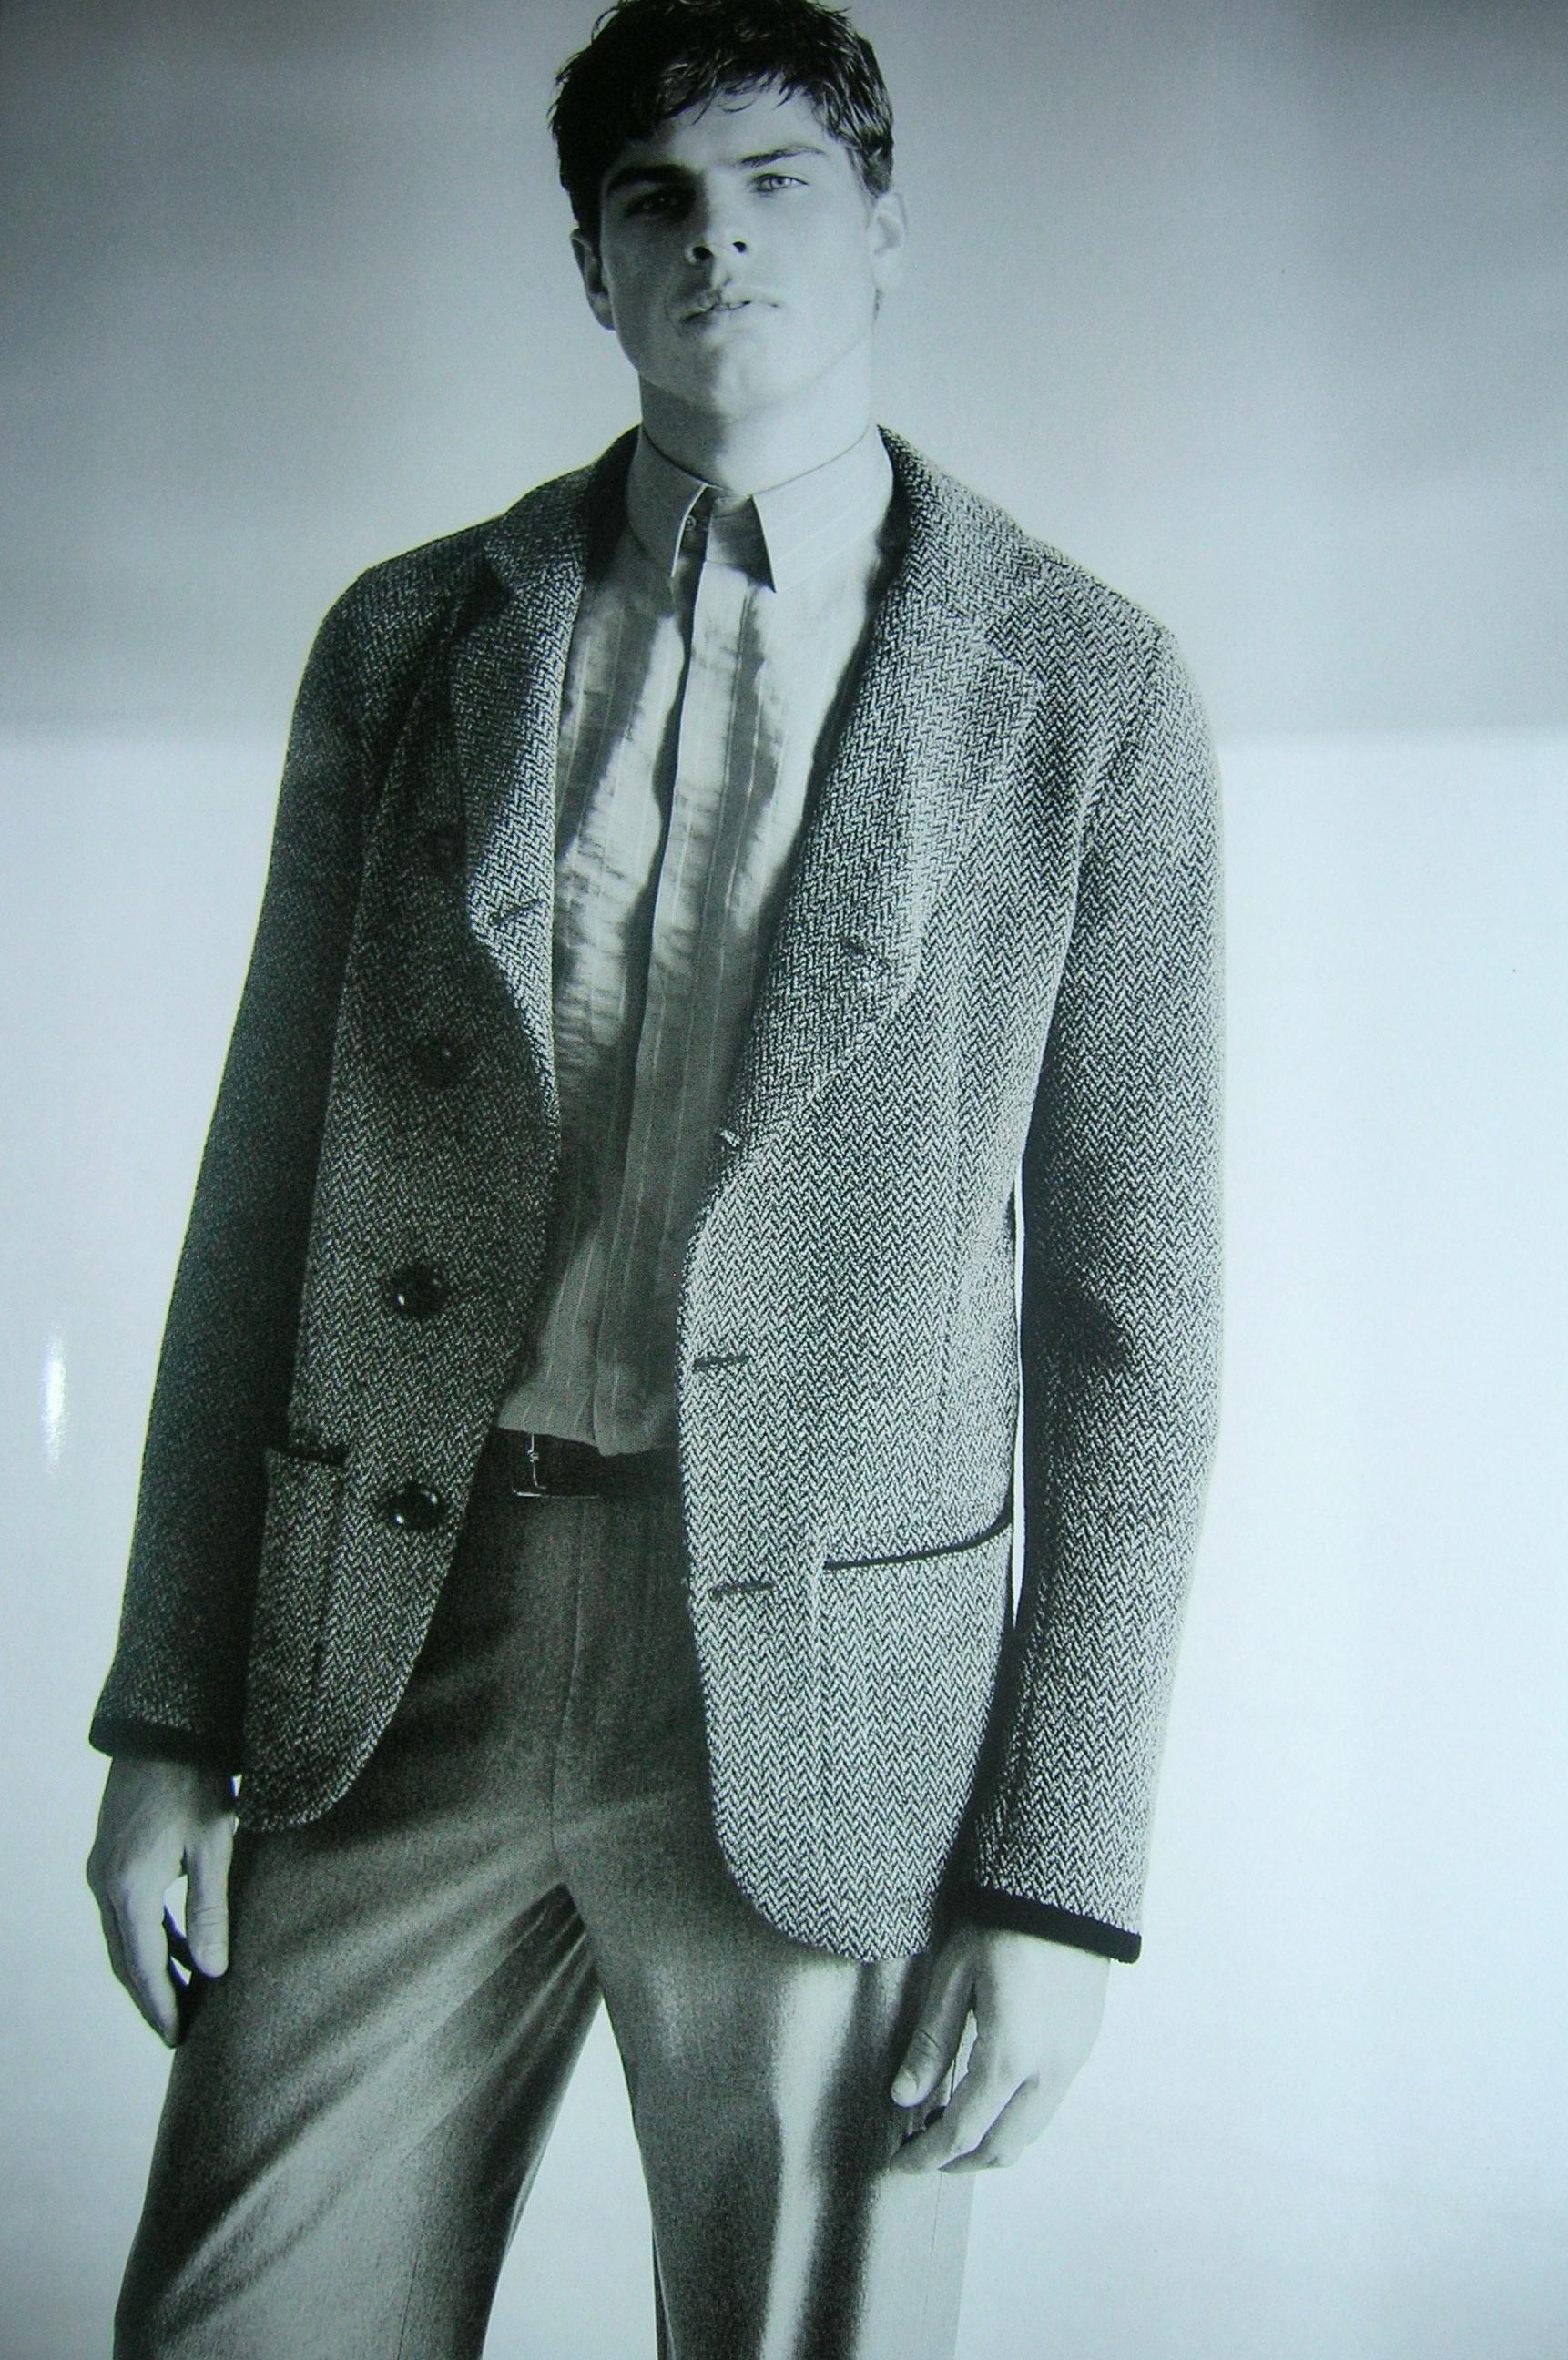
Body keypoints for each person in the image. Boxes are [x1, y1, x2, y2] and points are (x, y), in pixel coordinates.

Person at [85, 2, 1223, 2353]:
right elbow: (261, 1199)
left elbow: (1135, 1331)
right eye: (657, 201)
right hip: (403, 1634)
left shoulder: (1086, 694)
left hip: (822, 1703)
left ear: (883, 230)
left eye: (781, 183)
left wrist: (1060, 1879)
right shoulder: (413, 644)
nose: (721, 241)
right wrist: (168, 1719)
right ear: (594, 265)